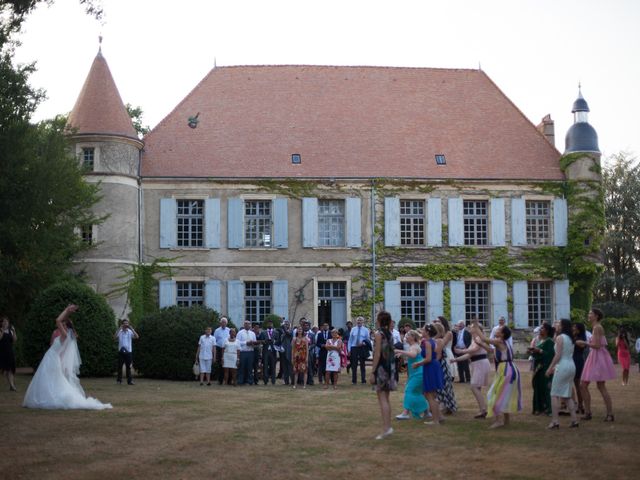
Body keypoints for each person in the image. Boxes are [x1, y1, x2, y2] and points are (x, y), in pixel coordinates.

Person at [23, 305, 112, 410]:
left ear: (66, 327)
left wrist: (66, 310)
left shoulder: (64, 336)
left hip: (52, 359)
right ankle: (48, 396)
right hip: (51, 358)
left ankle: (52, 397)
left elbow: (58, 320)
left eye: (63, 325)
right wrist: (68, 312)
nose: (61, 326)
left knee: (51, 379)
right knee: (50, 379)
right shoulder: (66, 337)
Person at [472, 322, 521, 428]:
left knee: (494, 395)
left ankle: (499, 421)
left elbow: (485, 339)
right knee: (504, 395)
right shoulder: (504, 342)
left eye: (499, 330)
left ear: (502, 334)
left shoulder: (499, 341)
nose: (497, 330)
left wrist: (476, 328)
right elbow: (490, 350)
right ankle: (506, 421)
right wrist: (480, 344)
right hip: (509, 369)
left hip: (506, 370)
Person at [578, 308, 616, 422]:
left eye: (590, 313)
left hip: (598, 357)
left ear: (596, 316)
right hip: (595, 356)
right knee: (584, 385)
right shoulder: (596, 327)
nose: (588, 315)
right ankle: (589, 412)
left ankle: (608, 414)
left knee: (598, 386)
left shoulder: (597, 327)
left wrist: (584, 343)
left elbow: (597, 346)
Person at [451, 329, 492, 418]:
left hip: (480, 363)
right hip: (477, 363)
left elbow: (473, 350)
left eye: (473, 330)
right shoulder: (475, 340)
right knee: (477, 387)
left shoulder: (479, 339)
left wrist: (461, 351)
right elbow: (469, 355)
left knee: (474, 386)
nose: (470, 331)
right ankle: (482, 409)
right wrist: (456, 359)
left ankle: (483, 409)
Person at [545, 319, 579, 429]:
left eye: (559, 324)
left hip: (563, 366)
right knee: (567, 395)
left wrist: (550, 368)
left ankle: (555, 421)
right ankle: (574, 420)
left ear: (563, 326)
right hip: (571, 366)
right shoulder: (570, 338)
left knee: (554, 394)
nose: (557, 325)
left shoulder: (560, 338)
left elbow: (558, 355)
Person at [370, 311, 397, 439]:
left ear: (380, 320)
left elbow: (377, 354)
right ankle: (388, 426)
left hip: (381, 368)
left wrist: (373, 371)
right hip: (389, 368)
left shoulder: (378, 334)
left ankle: (386, 429)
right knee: (386, 399)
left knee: (382, 400)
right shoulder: (389, 333)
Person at [394, 329, 429, 419]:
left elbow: (413, 355)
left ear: (413, 337)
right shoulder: (413, 346)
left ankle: (405, 413)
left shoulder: (414, 346)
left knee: (409, 391)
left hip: (418, 373)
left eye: (408, 335)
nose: (406, 337)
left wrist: (400, 351)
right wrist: (402, 354)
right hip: (416, 373)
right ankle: (426, 412)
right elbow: (412, 355)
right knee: (417, 393)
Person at [412, 324, 443, 426]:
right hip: (432, 366)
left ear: (428, 332)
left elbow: (428, 358)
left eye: (424, 330)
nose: (422, 331)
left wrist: (418, 363)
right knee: (431, 394)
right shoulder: (432, 341)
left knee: (430, 395)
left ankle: (435, 420)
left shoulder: (428, 343)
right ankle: (439, 417)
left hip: (430, 367)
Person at [528, 322, 554, 415]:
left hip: (545, 367)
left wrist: (539, 350)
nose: (540, 330)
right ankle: (538, 408)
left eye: (542, 328)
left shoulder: (550, 341)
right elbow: (537, 354)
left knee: (545, 388)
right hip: (538, 367)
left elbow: (550, 355)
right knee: (537, 387)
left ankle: (547, 408)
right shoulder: (540, 341)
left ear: (547, 330)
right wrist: (532, 351)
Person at [433, 321, 457, 415]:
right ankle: (445, 406)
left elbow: (438, 354)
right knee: (444, 386)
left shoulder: (439, 340)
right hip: (440, 363)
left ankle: (446, 406)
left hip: (440, 364)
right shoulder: (436, 339)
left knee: (444, 386)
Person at [114, 318, 139, 385]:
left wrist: (132, 329)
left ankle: (129, 381)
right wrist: (119, 328)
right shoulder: (120, 331)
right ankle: (119, 380)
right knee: (120, 367)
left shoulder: (130, 331)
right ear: (122, 324)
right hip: (121, 352)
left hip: (128, 352)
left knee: (129, 367)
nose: (126, 325)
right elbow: (114, 337)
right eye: (124, 323)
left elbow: (137, 337)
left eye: (127, 323)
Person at [348, 316, 370, 384]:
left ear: (363, 322)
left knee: (362, 364)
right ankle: (354, 380)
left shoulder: (366, 330)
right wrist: (349, 350)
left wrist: (363, 343)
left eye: (360, 320)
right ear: (356, 322)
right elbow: (350, 340)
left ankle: (363, 380)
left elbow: (368, 340)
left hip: (362, 348)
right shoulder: (353, 329)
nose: (359, 322)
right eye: (358, 320)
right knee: (354, 364)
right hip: (354, 347)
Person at [572, 323, 587, 414]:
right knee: (576, 385)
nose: (573, 328)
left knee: (578, 385)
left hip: (577, 360)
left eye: (574, 327)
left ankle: (581, 405)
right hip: (573, 359)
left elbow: (583, 345)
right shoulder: (575, 336)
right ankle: (579, 405)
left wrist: (574, 340)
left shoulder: (581, 338)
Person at [236, 321, 257, 385]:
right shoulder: (240, 333)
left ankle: (249, 381)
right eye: (246, 324)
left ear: (250, 325)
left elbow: (255, 342)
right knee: (242, 367)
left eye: (249, 324)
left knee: (250, 367)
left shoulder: (252, 333)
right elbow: (237, 342)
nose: (247, 325)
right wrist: (246, 343)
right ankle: (240, 381)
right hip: (243, 352)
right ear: (244, 325)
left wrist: (253, 344)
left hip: (250, 352)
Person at [0, 316, 17, 391]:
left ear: (8, 323)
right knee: (6, 369)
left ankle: (12, 385)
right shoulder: (0, 330)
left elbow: (15, 340)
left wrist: (14, 331)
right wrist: (3, 331)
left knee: (11, 369)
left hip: (10, 352)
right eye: (4, 322)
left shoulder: (11, 331)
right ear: (2, 323)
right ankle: (12, 385)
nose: (5, 323)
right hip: (2, 352)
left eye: (6, 321)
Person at [259, 319, 278, 385]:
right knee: (265, 366)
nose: (270, 325)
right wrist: (264, 341)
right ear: (267, 325)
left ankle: (273, 381)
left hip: (273, 351)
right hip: (266, 351)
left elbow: (278, 341)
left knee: (273, 366)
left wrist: (274, 341)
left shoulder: (276, 332)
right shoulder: (263, 332)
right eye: (269, 323)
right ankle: (265, 381)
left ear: (273, 325)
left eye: (271, 324)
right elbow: (260, 340)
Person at [213, 316, 231, 384]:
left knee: (228, 364)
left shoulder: (229, 330)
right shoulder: (217, 330)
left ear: (226, 323)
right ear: (220, 323)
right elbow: (215, 340)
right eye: (222, 322)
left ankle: (228, 380)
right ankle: (220, 380)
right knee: (220, 364)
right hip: (219, 349)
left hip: (227, 349)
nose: (223, 323)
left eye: (225, 322)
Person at [277, 320, 293, 385]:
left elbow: (288, 334)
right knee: (284, 366)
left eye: (287, 324)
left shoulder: (291, 331)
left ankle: (293, 381)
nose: (286, 325)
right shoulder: (282, 333)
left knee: (290, 366)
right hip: (282, 351)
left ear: (289, 325)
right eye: (285, 324)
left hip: (289, 351)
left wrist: (283, 327)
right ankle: (286, 381)